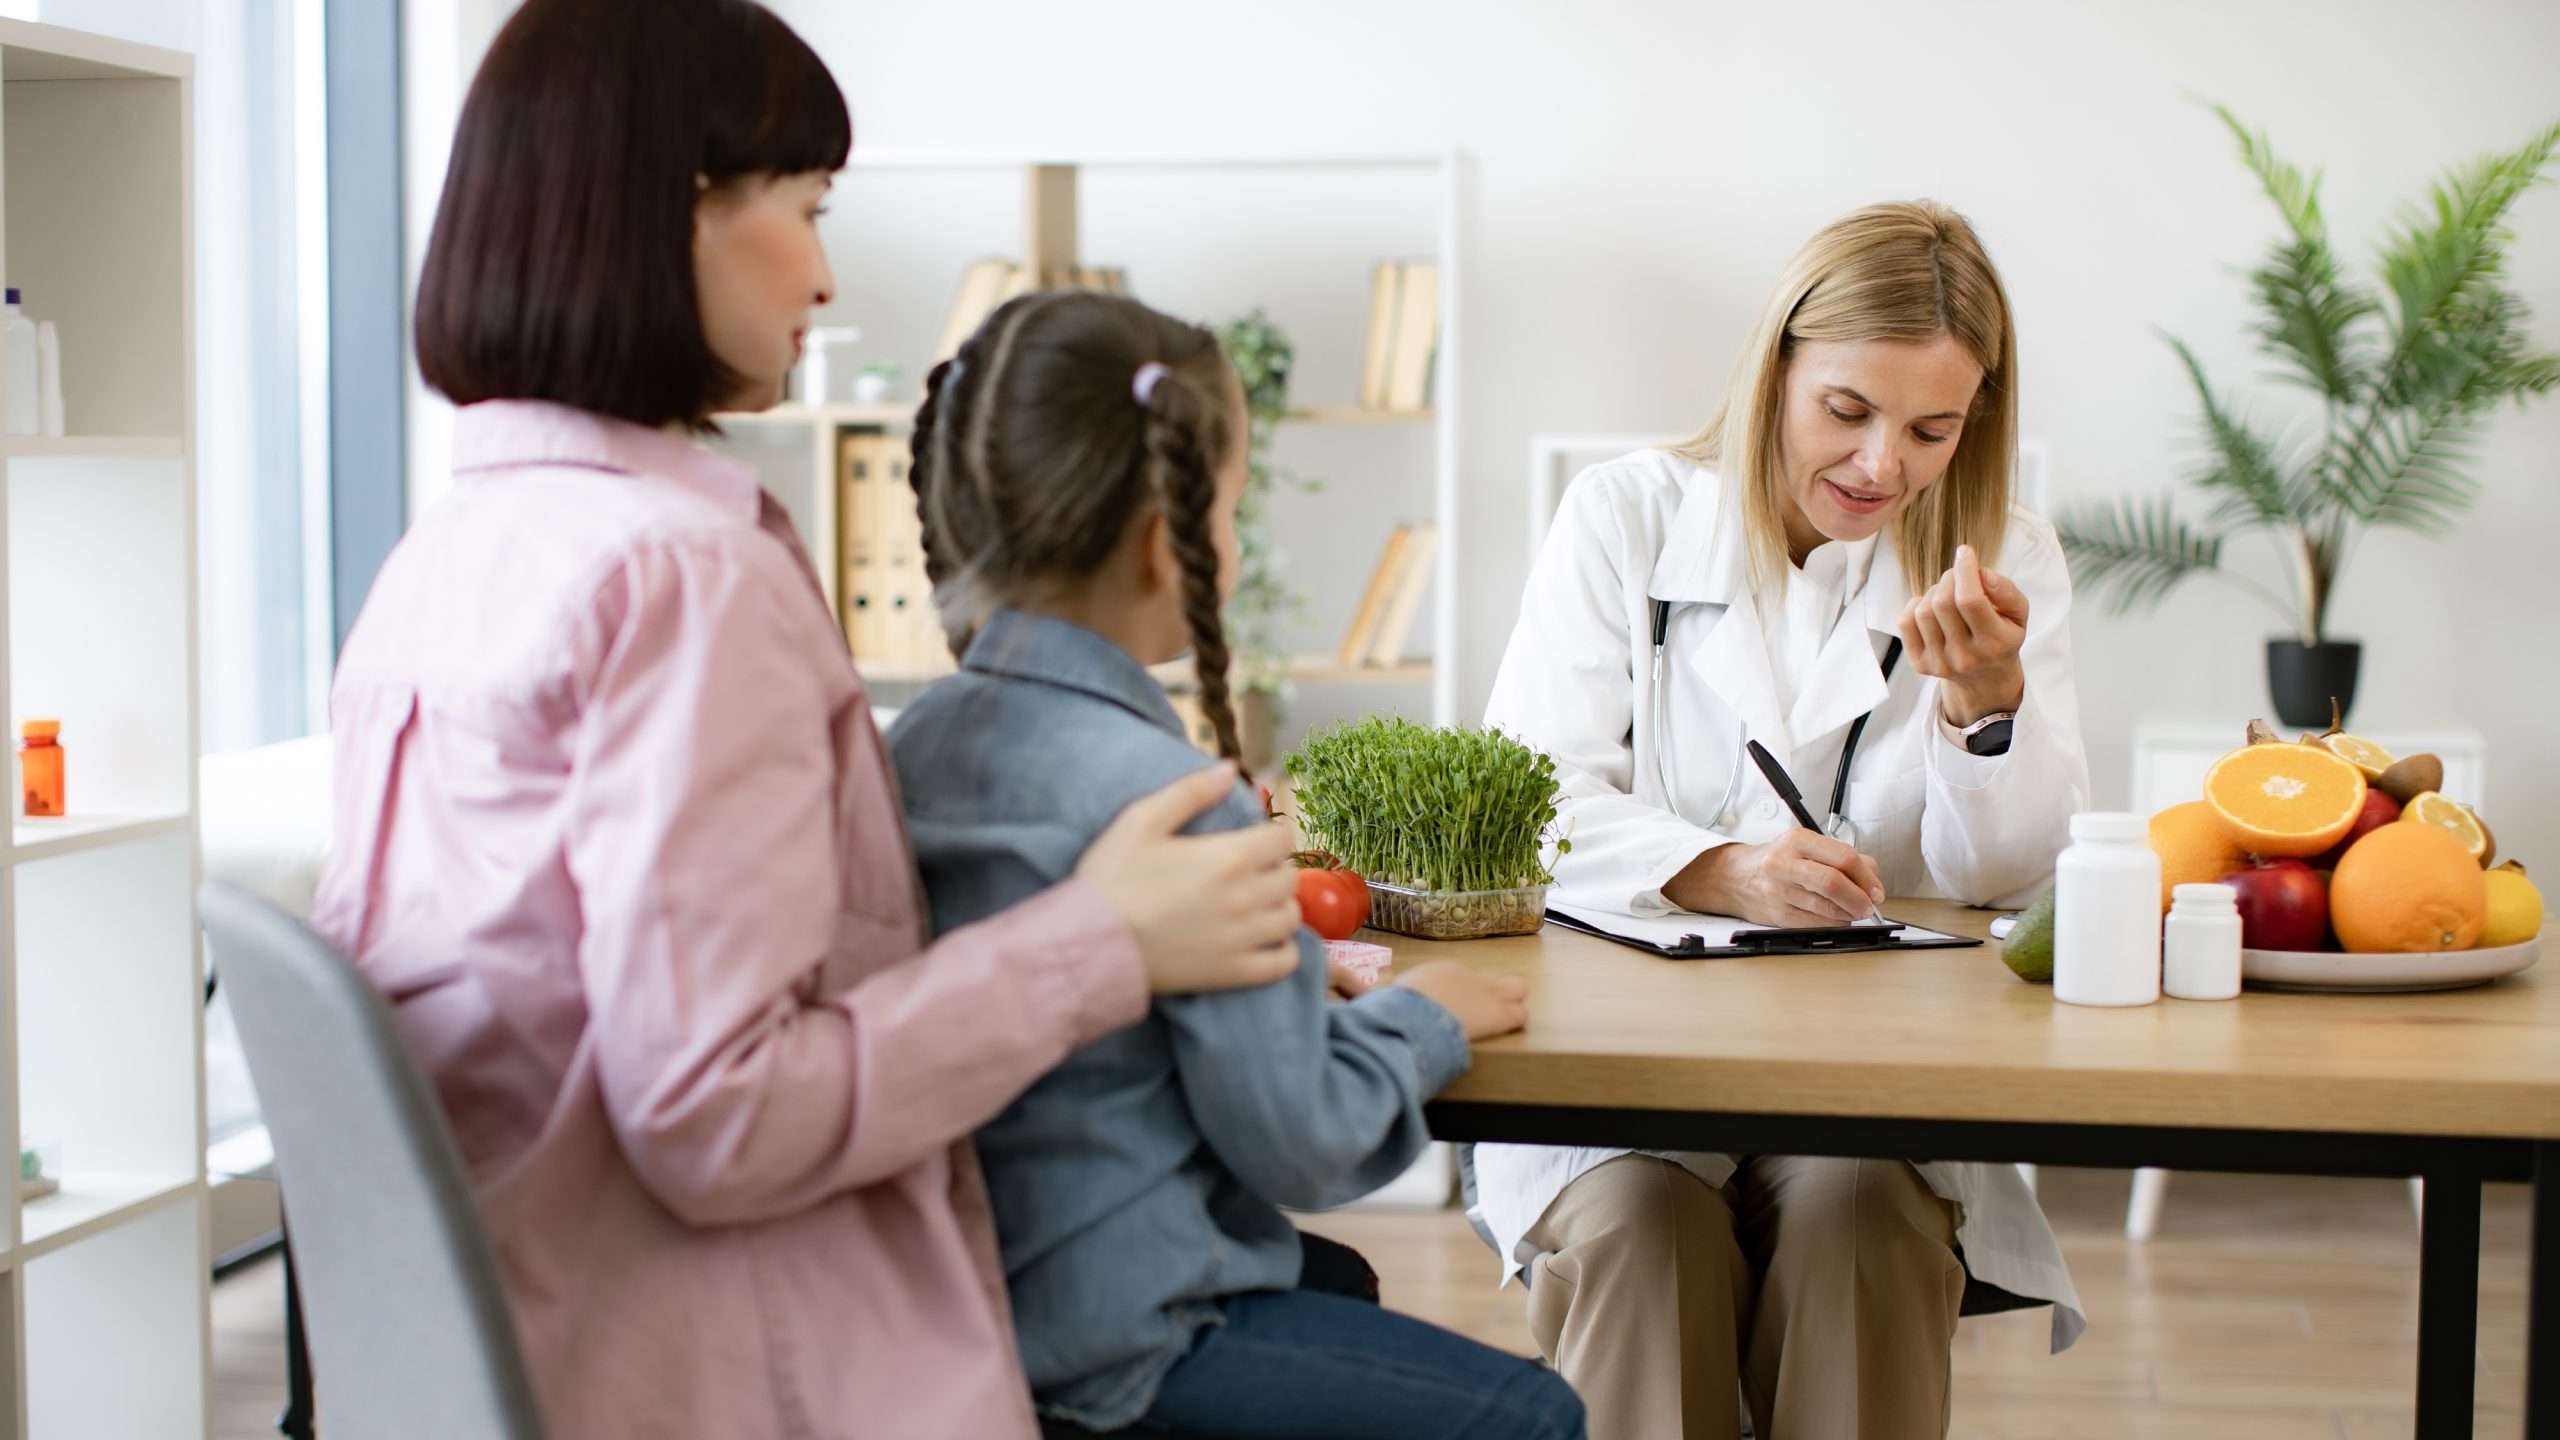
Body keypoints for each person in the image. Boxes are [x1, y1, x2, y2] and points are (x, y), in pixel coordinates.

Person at [308, 4, 1311, 1437]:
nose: (828, 275)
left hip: (519, 1333)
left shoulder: (447, 556)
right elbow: (723, 1118)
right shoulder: (677, 577)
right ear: (675, 212)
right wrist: (1107, 942)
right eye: (807, 207)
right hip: (717, 1357)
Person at [885, 290, 1587, 1440]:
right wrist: (1427, 1019)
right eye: (1231, 506)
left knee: (1332, 1283)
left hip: (959, 1308)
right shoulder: (1177, 807)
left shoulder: (913, 748)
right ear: (1170, 543)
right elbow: (1301, 1140)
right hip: (1117, 1339)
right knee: (1531, 1417)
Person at [1473, 200, 2089, 1440]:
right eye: (1847, 414)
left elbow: (2022, 884)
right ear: (1776, 370)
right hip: (1627, 1072)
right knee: (1644, 1237)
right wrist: (1711, 867)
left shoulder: (2001, 555)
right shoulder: (1625, 517)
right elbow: (1525, 799)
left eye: (1931, 429)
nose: (1882, 469)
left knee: (1858, 1223)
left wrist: (1984, 709)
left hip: (1879, 1080)